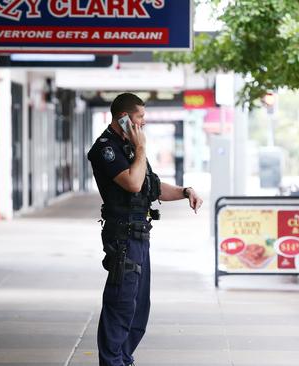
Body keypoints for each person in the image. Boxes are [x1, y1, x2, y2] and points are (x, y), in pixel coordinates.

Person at [87, 93, 203, 366]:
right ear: (123, 118)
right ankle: (113, 362)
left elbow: (151, 186)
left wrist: (186, 191)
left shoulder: (131, 147)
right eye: (140, 118)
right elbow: (133, 183)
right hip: (123, 237)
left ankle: (124, 360)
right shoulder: (107, 148)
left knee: (139, 309)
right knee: (121, 305)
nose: (144, 125)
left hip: (140, 236)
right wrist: (141, 149)